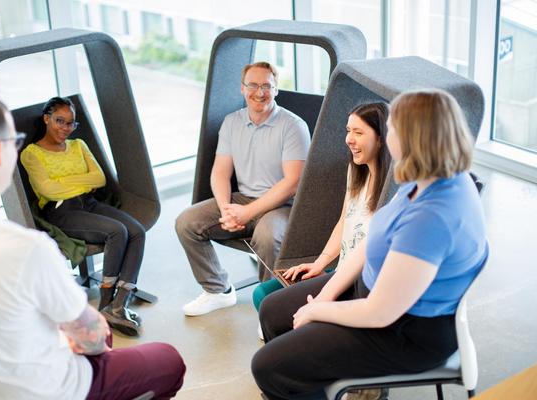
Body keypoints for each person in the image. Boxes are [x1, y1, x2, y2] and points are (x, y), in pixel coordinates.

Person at [251, 88, 488, 400]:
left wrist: (319, 311)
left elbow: (380, 313)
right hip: (377, 290)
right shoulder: (425, 176)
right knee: (271, 310)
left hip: (405, 332)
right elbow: (374, 238)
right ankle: (313, 381)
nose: (389, 134)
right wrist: (326, 293)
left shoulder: (431, 219)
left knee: (268, 367)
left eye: (392, 129)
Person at [0, 93, 185, 400]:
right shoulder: (27, 249)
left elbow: (98, 179)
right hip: (49, 389)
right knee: (166, 360)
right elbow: (93, 340)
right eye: (13, 140)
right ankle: (111, 308)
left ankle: (118, 302)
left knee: (130, 232)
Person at [176, 61, 311, 316]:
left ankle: (272, 308)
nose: (259, 92)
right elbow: (220, 172)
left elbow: (292, 183)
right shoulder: (231, 122)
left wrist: (246, 214)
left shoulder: (293, 126)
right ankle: (218, 291)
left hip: (282, 205)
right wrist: (227, 208)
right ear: (242, 88)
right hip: (242, 199)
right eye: (253, 85)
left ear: (276, 89)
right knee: (186, 222)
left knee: (268, 237)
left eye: (266, 86)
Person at [251, 102, 390, 343]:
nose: (349, 139)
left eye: (358, 132)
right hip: (338, 272)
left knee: (272, 307)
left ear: (381, 138)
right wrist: (319, 263)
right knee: (262, 294)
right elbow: (343, 223)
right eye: (348, 130)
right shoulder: (357, 172)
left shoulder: (391, 191)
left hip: (356, 284)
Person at [20, 96, 145, 336]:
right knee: (117, 231)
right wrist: (80, 182)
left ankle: (120, 304)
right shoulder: (32, 153)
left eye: (70, 123)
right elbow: (48, 190)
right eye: (59, 121)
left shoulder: (79, 146)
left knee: (137, 231)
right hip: (61, 210)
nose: (65, 128)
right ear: (47, 119)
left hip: (90, 203)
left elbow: (99, 179)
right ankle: (107, 301)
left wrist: (63, 182)